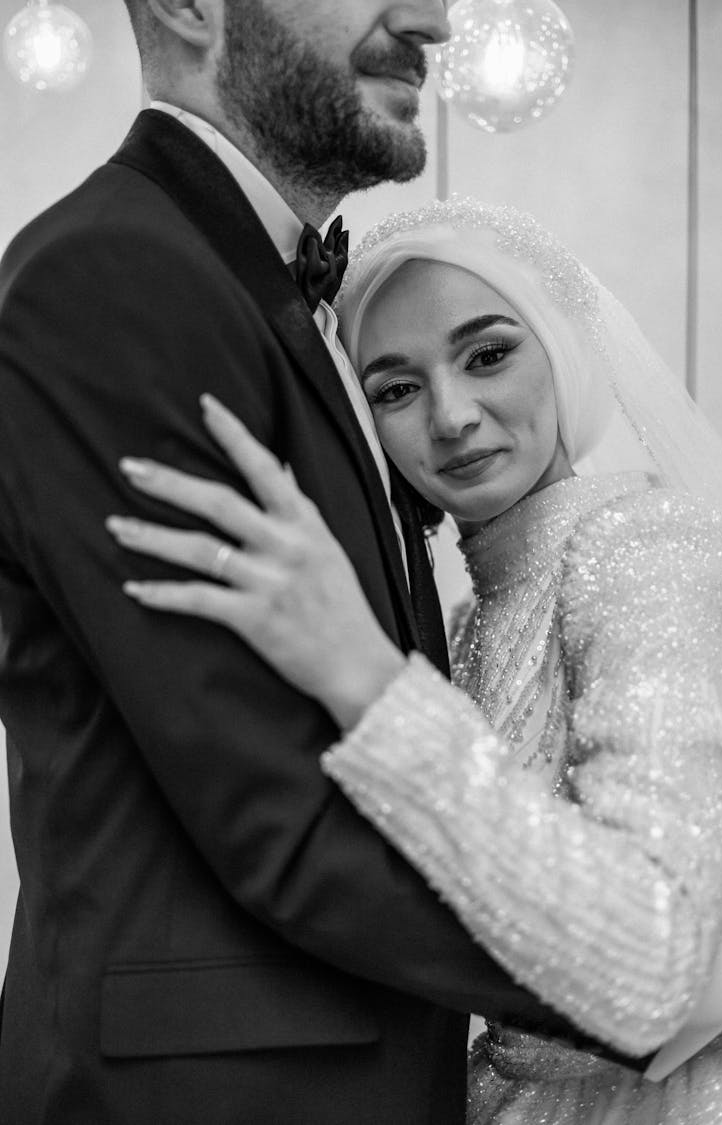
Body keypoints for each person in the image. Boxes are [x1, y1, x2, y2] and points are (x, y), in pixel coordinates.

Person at [0, 2, 646, 1121]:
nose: (431, 18)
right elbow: (278, 800)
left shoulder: (277, 293)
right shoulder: (117, 271)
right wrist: (658, 973)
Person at [106, 198, 722, 1123]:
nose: (452, 417)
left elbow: (658, 948)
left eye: (489, 354)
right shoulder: (464, 618)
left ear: (564, 350)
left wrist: (361, 679)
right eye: (395, 389)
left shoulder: (646, 546)